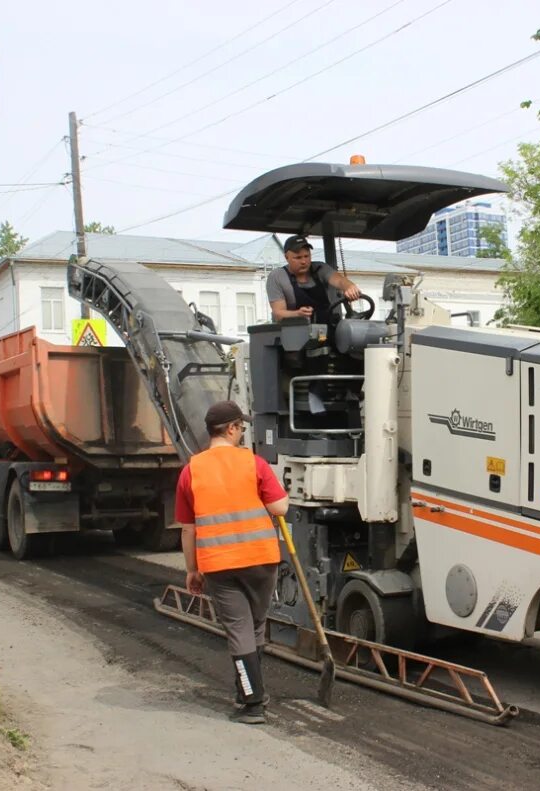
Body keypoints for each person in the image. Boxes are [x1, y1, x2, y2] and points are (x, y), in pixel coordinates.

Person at [175, 400, 289, 724]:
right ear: (232, 428)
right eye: (241, 427)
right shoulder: (254, 464)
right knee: (254, 626)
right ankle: (250, 693)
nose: (242, 432)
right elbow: (280, 508)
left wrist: (192, 570)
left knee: (239, 630)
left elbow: (188, 529)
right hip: (261, 561)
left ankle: (252, 701)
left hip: (219, 565)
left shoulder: (190, 471)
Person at [266, 234, 363, 323]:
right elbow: (278, 314)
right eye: (298, 257)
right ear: (286, 257)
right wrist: (298, 314)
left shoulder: (320, 268)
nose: (304, 261)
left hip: (328, 330)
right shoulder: (277, 276)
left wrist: (350, 287)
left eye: (306, 256)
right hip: (295, 334)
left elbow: (339, 280)